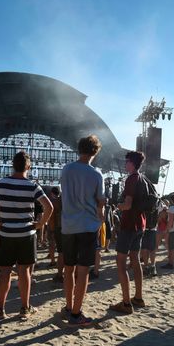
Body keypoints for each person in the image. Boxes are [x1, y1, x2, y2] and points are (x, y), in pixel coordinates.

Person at [0, 151, 52, 321]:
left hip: (6, 233)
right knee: (24, 271)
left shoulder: (0, 183)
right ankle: (25, 308)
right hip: (26, 234)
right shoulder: (33, 185)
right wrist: (40, 224)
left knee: (5, 272)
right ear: (28, 166)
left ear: (13, 165)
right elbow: (49, 207)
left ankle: (0, 308)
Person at [59, 135, 105, 326]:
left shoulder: (67, 169)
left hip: (68, 225)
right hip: (87, 225)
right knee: (83, 271)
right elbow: (100, 201)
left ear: (79, 149)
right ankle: (76, 314)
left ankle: (69, 306)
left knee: (68, 269)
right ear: (95, 151)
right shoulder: (96, 174)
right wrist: (101, 217)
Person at [110, 151, 146, 314]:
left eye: (126, 162)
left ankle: (126, 303)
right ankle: (138, 297)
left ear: (132, 163)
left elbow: (128, 204)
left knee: (120, 262)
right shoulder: (142, 179)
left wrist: (118, 206)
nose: (125, 165)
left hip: (129, 224)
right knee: (135, 259)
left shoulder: (131, 179)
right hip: (140, 224)